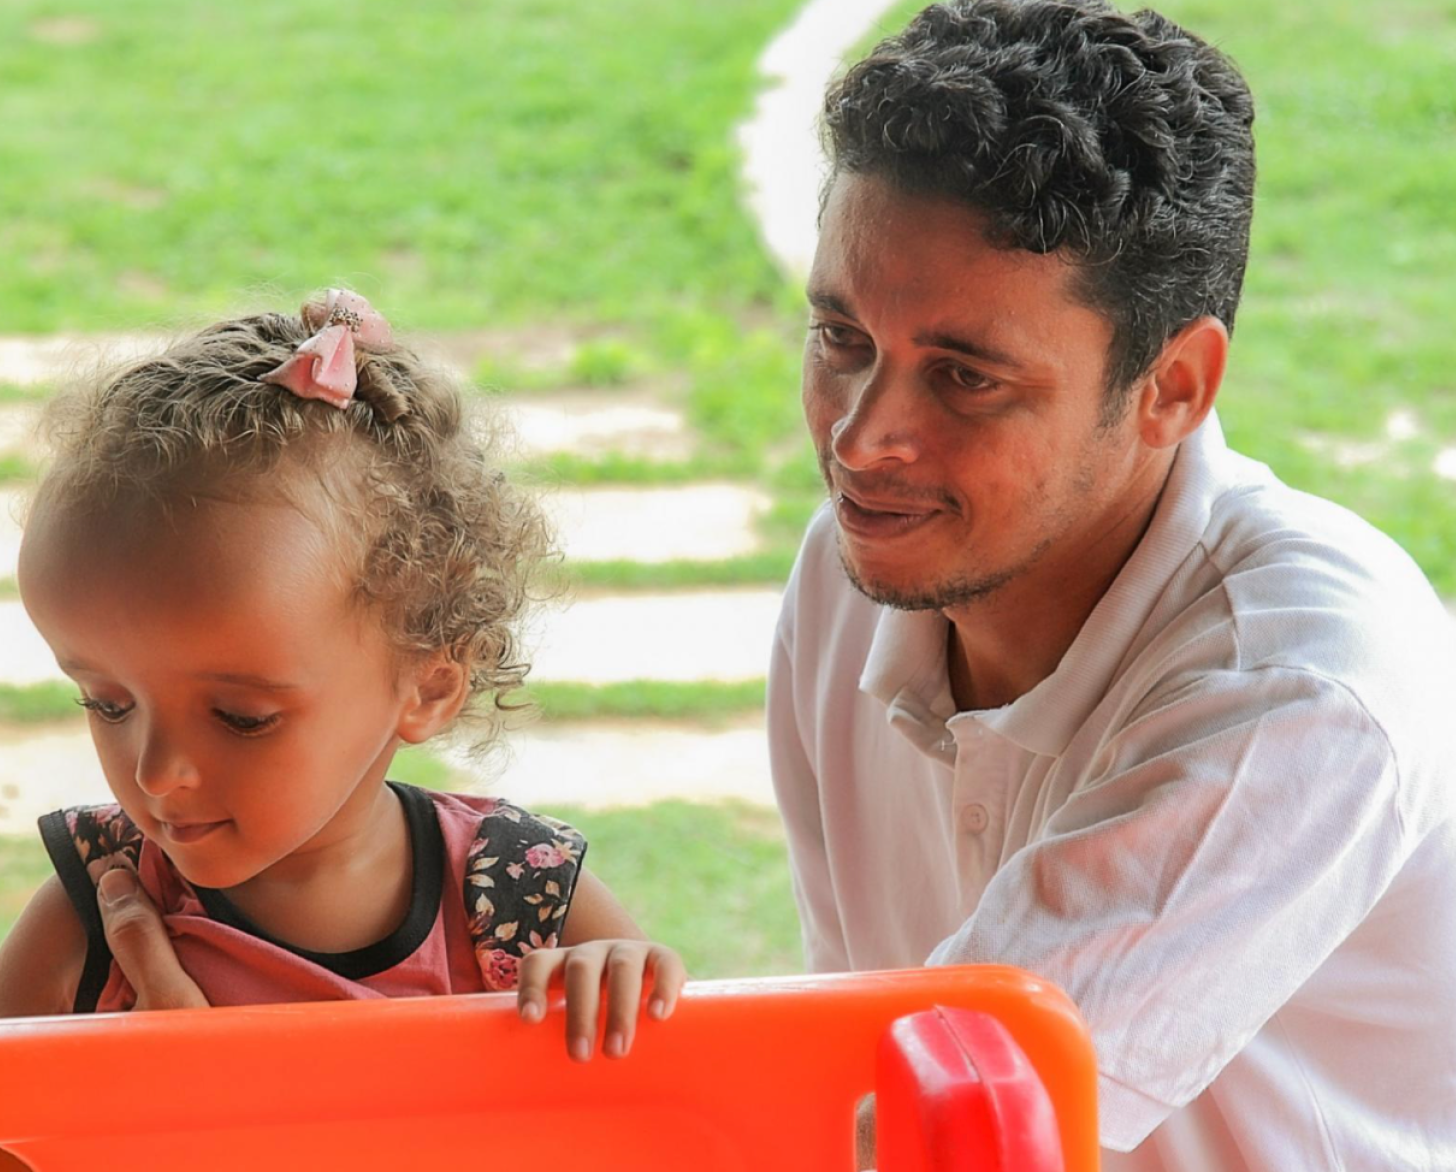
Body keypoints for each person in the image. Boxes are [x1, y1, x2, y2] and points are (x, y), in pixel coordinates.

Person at [769, 1, 1456, 1169]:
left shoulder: (1299, 686)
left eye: (966, 376)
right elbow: (858, 1049)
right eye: (842, 338)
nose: (863, 439)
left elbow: (932, 1124)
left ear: (1173, 386)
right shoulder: (863, 570)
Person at [0, 289, 685, 1063]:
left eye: (242, 716)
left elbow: (698, 1119)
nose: (157, 773)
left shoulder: (521, 906)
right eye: (107, 701)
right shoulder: (96, 913)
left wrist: (620, 1007)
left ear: (427, 687)